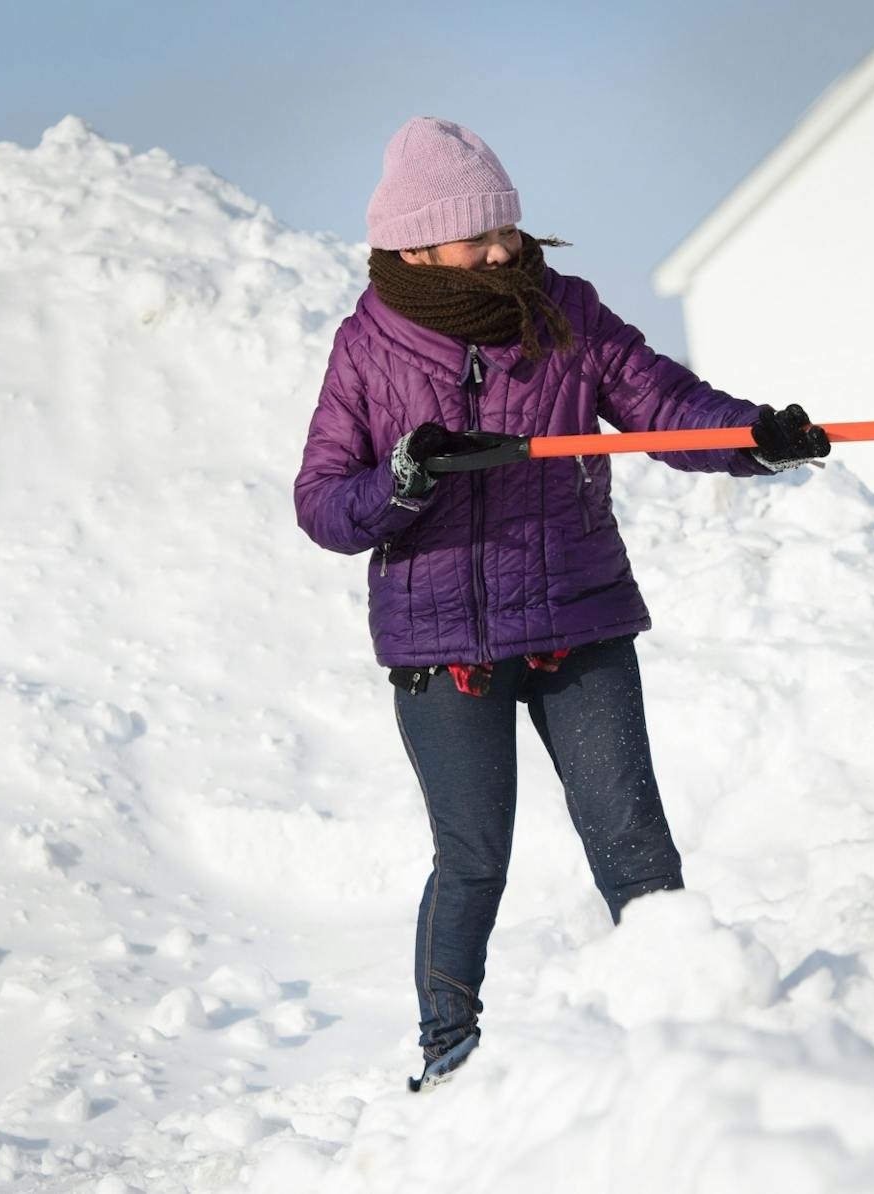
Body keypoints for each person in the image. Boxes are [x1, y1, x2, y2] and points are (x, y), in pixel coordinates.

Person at [292, 116, 830, 1091]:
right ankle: (448, 1053)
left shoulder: (565, 312)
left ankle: (694, 1038)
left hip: (577, 618)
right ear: (415, 245)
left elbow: (663, 407)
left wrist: (755, 435)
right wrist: (406, 477)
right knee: (472, 860)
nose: (504, 249)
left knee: (631, 842)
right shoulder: (366, 349)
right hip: (441, 642)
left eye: (508, 228)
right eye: (478, 234)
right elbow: (324, 504)